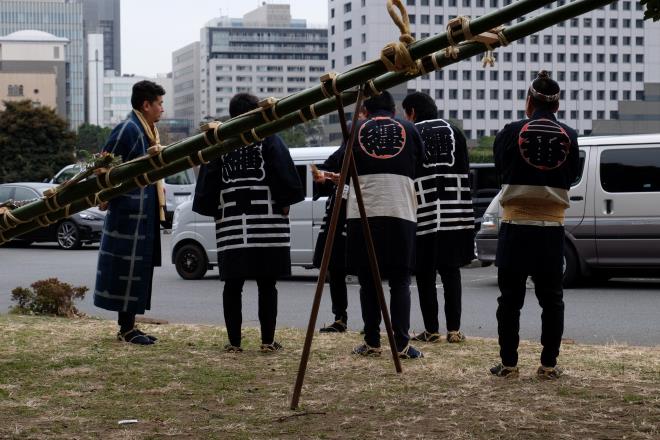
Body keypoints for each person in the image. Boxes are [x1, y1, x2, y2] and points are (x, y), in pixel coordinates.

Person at [193, 93, 304, 353]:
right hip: (267, 223)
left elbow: (208, 183)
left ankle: (234, 343)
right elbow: (284, 175)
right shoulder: (269, 138)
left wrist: (214, 210)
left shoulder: (221, 142)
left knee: (233, 285)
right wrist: (285, 202)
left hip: (232, 224)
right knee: (268, 284)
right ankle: (267, 341)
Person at [490, 71, 580, 379]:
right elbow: (573, 176)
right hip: (552, 227)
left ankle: (509, 363)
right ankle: (548, 364)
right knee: (552, 300)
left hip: (516, 224)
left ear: (529, 101)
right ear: (557, 105)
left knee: (510, 300)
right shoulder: (570, 135)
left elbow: (499, 170)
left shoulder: (511, 131)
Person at [340, 90, 426, 359]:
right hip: (399, 208)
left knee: (369, 280)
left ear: (366, 109)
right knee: (400, 281)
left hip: (363, 211)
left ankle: (372, 341)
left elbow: (340, 163)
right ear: (394, 109)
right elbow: (419, 165)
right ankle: (400, 344)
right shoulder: (409, 129)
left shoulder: (356, 129)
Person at [94, 80, 166, 345]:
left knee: (140, 269)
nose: (162, 109)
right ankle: (126, 329)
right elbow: (102, 165)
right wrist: (111, 197)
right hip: (128, 215)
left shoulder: (147, 130)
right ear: (145, 105)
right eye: (159, 104)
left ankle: (131, 325)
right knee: (127, 270)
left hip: (142, 215)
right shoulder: (128, 128)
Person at [401, 92, 475, 344]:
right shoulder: (454, 131)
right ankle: (454, 330)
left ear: (412, 112)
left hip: (424, 210)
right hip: (455, 209)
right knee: (451, 271)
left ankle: (431, 330)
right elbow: (465, 169)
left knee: (425, 273)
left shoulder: (411, 133)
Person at [311, 106, 366, 333]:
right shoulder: (343, 149)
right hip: (337, 210)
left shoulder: (367, 149)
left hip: (359, 211)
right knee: (335, 267)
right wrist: (323, 177)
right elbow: (325, 171)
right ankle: (339, 317)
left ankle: (371, 321)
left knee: (366, 270)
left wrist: (336, 179)